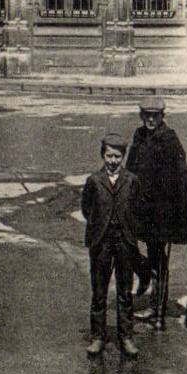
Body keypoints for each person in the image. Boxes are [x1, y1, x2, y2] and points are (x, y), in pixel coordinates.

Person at [127, 95, 187, 331]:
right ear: (141, 115)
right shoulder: (139, 136)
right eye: (147, 115)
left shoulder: (169, 140)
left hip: (160, 213)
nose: (151, 120)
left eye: (155, 116)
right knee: (126, 245)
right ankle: (144, 273)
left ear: (162, 116)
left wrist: (174, 216)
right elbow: (130, 169)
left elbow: (180, 180)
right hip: (139, 208)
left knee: (159, 259)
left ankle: (157, 309)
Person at [80, 133, 144, 359]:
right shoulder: (93, 181)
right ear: (102, 156)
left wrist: (129, 231)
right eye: (109, 156)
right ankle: (97, 337)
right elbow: (87, 209)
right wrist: (101, 227)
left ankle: (126, 337)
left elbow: (137, 209)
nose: (113, 161)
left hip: (125, 242)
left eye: (117, 156)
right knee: (99, 291)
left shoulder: (132, 180)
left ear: (123, 157)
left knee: (125, 291)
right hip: (101, 242)